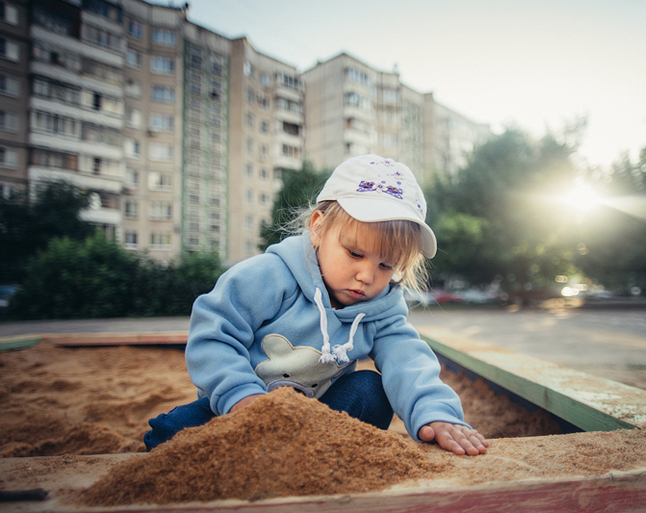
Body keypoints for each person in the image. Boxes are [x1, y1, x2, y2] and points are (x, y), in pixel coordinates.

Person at [144, 154, 488, 456]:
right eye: (355, 253)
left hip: (320, 420)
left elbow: (408, 360)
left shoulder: (381, 308)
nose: (367, 276)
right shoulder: (269, 275)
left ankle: (307, 457)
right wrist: (242, 399)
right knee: (171, 433)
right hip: (240, 411)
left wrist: (436, 413)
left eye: (386, 265)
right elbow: (214, 334)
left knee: (371, 390)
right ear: (318, 228)